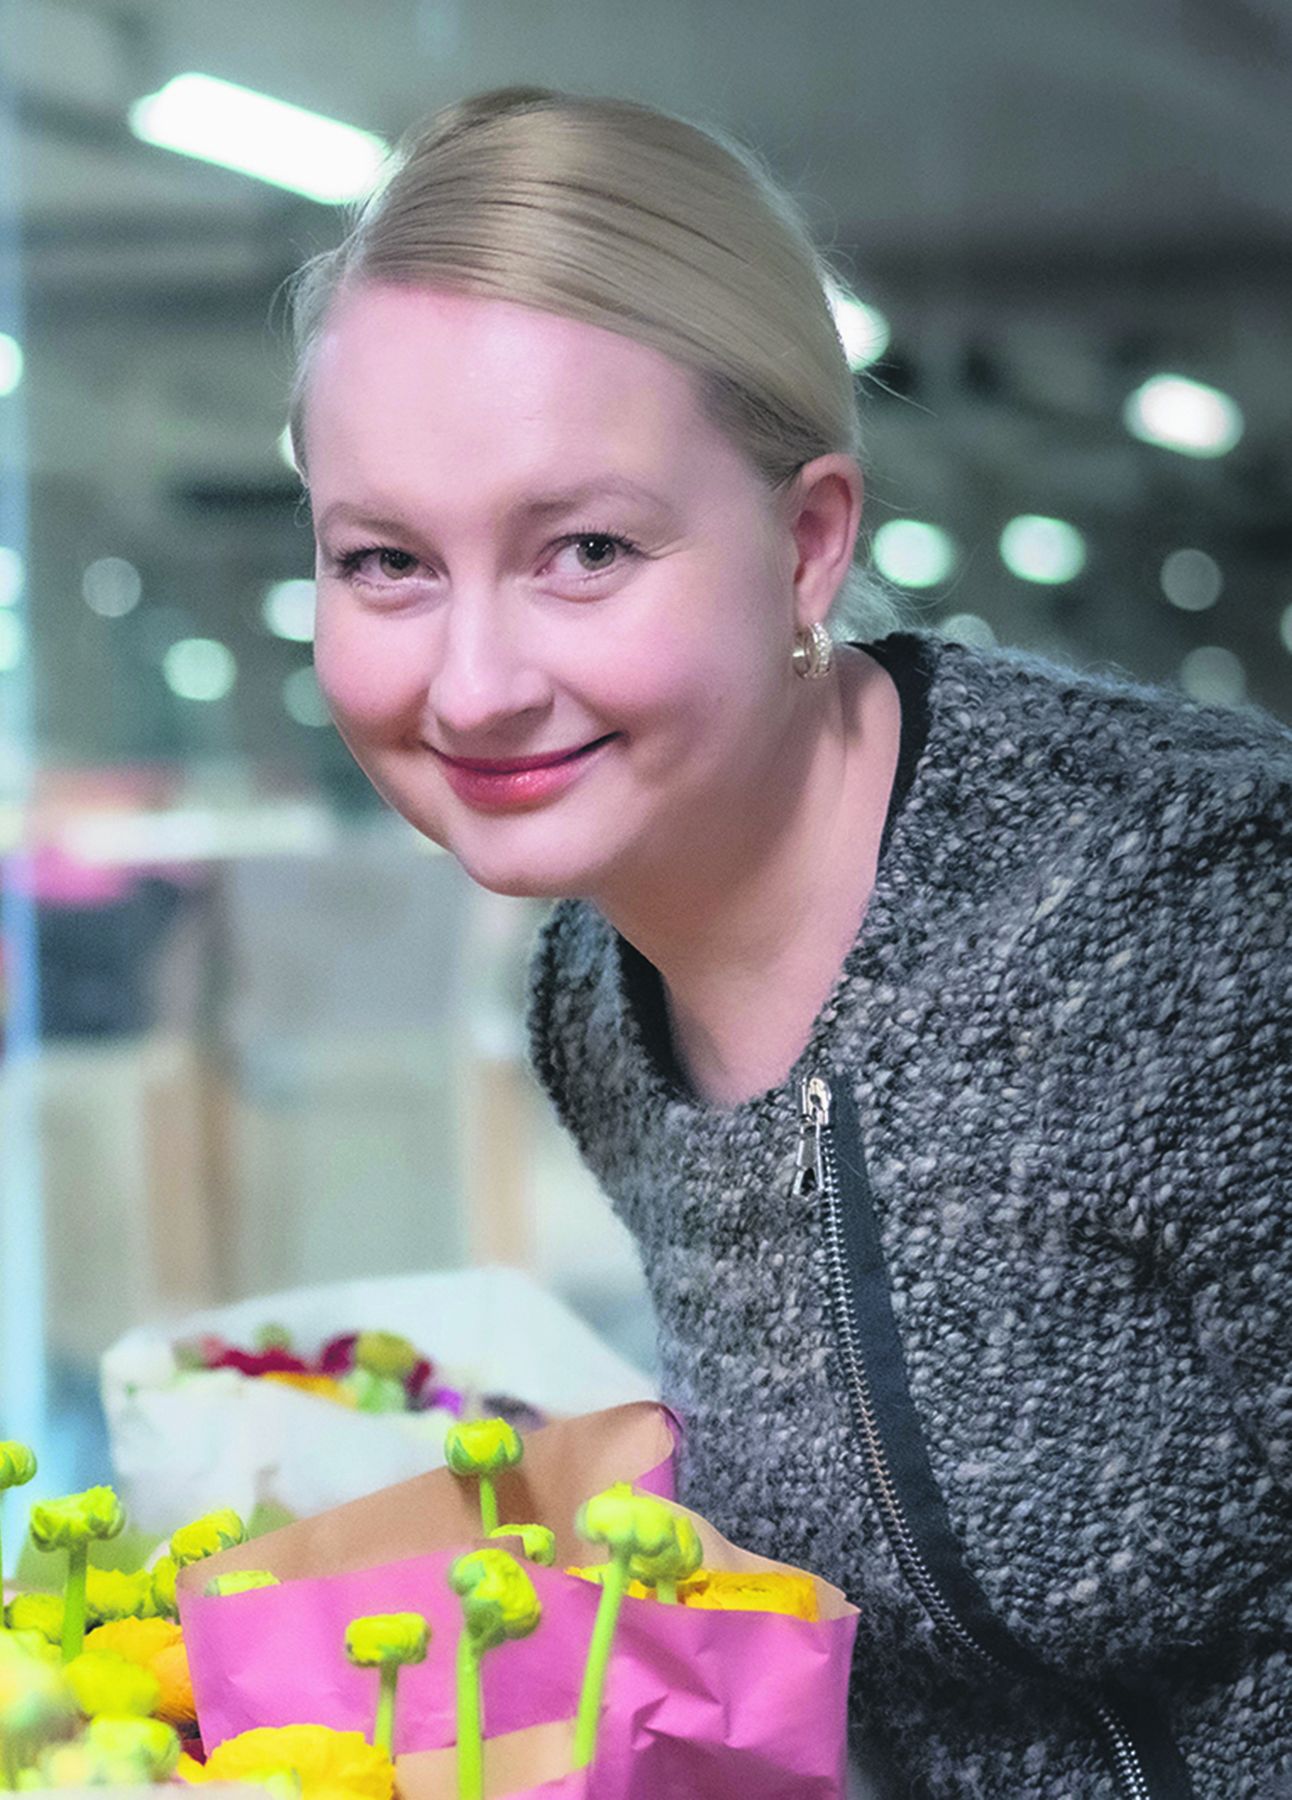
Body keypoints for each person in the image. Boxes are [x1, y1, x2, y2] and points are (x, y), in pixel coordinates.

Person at [293, 89, 1290, 1797]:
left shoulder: (1183, 907)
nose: (470, 687)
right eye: (386, 562)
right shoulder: (600, 990)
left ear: (809, 540)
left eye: (585, 550)